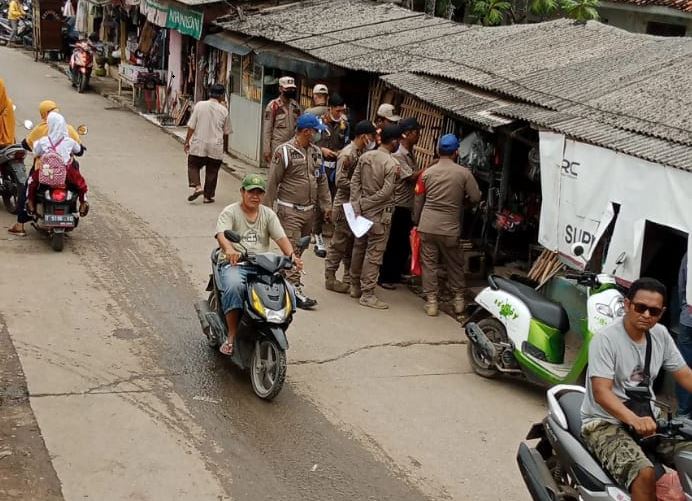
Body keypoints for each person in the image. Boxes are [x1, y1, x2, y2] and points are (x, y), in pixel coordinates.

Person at [581, 278, 692, 501]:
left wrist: (641, 419)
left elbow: (685, 374)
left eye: (654, 311)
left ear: (661, 313)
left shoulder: (660, 335)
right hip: (604, 422)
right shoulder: (606, 339)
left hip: (649, 417)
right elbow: (602, 392)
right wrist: (633, 420)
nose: (646, 315)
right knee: (644, 473)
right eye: (640, 307)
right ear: (627, 304)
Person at [214, 174, 302, 356]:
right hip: (235, 263)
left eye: (259, 192)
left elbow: (281, 238)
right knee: (234, 286)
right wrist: (229, 249)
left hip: (263, 265)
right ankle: (231, 336)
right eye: (251, 192)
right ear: (242, 192)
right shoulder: (230, 212)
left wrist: (292, 256)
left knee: (289, 291)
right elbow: (221, 234)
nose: (255, 196)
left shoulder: (268, 214)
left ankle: (271, 325)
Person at [265, 113, 330, 310]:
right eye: (316, 131)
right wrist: (266, 210)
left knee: (301, 247)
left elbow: (322, 181)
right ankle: (294, 290)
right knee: (292, 248)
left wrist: (327, 205)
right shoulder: (284, 152)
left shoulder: (316, 152)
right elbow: (272, 182)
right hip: (289, 210)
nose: (318, 134)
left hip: (309, 212)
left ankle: (284, 279)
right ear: (306, 132)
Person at [413, 134, 481, 316]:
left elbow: (418, 200)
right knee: (454, 264)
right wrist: (463, 203)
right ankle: (458, 300)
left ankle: (432, 302)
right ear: (456, 152)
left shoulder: (427, 173)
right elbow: (476, 197)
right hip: (450, 227)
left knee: (429, 265)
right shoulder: (464, 173)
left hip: (427, 226)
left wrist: (416, 221)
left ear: (438, 151)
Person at [9, 101, 82, 236]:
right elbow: (79, 149)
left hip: (44, 170)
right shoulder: (69, 130)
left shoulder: (40, 132)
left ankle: (21, 223)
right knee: (79, 185)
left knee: (28, 186)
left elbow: (27, 144)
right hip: (65, 172)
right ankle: (81, 203)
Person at [349, 124, 400, 310]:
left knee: (359, 248)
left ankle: (355, 286)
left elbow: (355, 182)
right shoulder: (392, 164)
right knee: (374, 254)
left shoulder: (365, 156)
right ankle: (367, 293)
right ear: (393, 141)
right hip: (378, 215)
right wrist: (365, 204)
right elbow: (386, 193)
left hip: (361, 213)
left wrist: (357, 204)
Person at [324, 120, 377, 294]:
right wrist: (359, 187)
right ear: (364, 136)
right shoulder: (348, 154)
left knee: (351, 243)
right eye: (371, 136)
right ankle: (330, 278)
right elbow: (339, 181)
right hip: (344, 205)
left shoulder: (360, 152)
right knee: (338, 243)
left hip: (353, 204)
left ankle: (348, 276)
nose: (372, 139)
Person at [379, 117, 422, 289]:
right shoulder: (399, 155)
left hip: (407, 204)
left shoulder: (409, 153)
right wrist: (433, 167)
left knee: (403, 242)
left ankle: (395, 274)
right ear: (408, 134)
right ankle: (386, 276)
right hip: (398, 204)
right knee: (393, 242)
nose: (418, 136)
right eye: (416, 133)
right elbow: (410, 176)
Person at [26, 112, 89, 216]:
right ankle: (83, 202)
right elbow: (78, 151)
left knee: (32, 182)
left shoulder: (44, 141)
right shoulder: (69, 141)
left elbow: (35, 152)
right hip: (66, 171)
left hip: (47, 171)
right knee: (81, 184)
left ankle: (30, 202)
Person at [313, 94, 349, 258]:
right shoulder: (319, 122)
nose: (340, 113)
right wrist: (322, 150)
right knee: (320, 202)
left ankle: (333, 235)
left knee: (335, 202)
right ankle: (317, 235)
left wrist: (342, 152)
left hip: (336, 168)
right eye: (337, 110)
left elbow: (347, 143)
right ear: (330, 108)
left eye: (342, 110)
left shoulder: (344, 124)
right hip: (321, 166)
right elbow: (310, 142)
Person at [184, 84, 232, 204]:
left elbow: (191, 126)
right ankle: (207, 197)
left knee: (193, 164)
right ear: (221, 96)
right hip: (216, 146)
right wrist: (224, 149)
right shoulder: (224, 110)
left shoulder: (200, 105)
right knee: (212, 171)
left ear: (210, 93)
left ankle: (198, 187)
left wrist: (187, 141)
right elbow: (226, 132)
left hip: (199, 143)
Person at [262, 76, 302, 165]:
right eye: (287, 89)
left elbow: (299, 127)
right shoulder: (273, 106)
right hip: (278, 146)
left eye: (292, 89)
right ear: (280, 89)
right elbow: (267, 130)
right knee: (276, 173)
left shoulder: (296, 106)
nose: (290, 91)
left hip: (292, 146)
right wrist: (266, 149)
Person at [676, 252, 692, 417]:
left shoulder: (689, 252)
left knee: (684, 367)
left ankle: (683, 414)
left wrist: (685, 308)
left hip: (688, 317)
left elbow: (682, 284)